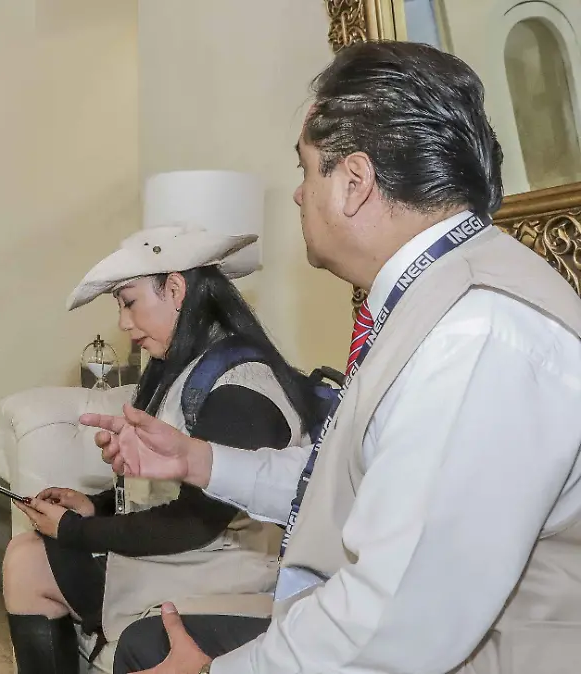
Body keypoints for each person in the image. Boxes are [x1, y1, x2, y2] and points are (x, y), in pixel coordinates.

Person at [83, 40, 581, 674]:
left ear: (354, 182)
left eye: (306, 169)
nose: (297, 196)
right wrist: (199, 461)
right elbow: (349, 478)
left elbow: (393, 622)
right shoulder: (438, 300)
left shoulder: (477, 334)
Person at [4, 172, 329, 673]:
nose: (123, 322)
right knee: (26, 558)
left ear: (175, 289)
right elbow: (170, 493)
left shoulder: (241, 388)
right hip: (186, 562)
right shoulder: (186, 370)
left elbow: (195, 523)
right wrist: (94, 506)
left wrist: (75, 531)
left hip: (220, 578)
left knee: (29, 562)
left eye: (129, 302)